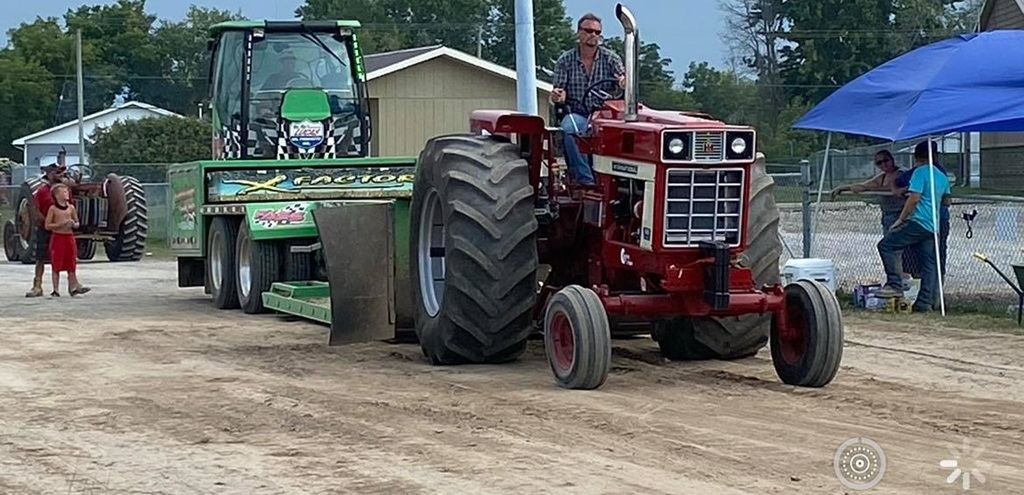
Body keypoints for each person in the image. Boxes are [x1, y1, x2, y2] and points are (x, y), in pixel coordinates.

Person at [874, 140, 951, 312]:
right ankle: (924, 303)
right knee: (929, 263)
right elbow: (947, 200)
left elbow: (914, 198)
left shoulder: (919, 172)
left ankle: (894, 283)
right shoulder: (941, 176)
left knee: (886, 245)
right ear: (935, 155)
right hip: (934, 225)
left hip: (918, 222)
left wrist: (901, 219)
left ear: (916, 157)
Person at [550, 13, 626, 187]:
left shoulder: (611, 59)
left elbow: (622, 79)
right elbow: (558, 92)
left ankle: (616, 180)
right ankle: (587, 181)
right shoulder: (565, 60)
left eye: (597, 32)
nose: (594, 35)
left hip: (606, 115)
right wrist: (558, 96)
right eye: (589, 30)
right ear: (579, 33)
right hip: (579, 113)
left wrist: (623, 82)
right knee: (571, 127)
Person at [26, 163, 70, 297]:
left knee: (67, 257)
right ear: (49, 175)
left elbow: (69, 207)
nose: (60, 175)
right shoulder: (42, 191)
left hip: (62, 230)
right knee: (41, 257)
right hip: (45, 229)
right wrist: (46, 222)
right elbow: (35, 208)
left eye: (61, 173)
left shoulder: (65, 191)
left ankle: (72, 285)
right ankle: (37, 286)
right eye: (57, 173)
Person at [44, 183, 87, 297]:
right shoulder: (52, 209)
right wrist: (60, 224)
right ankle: (56, 289)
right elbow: (47, 225)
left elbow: (77, 223)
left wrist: (74, 224)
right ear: (56, 195)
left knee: (71, 263)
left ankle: (72, 286)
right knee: (56, 264)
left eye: (67, 192)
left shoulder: (71, 208)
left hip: (69, 237)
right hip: (58, 238)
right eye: (64, 192)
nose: (66, 194)